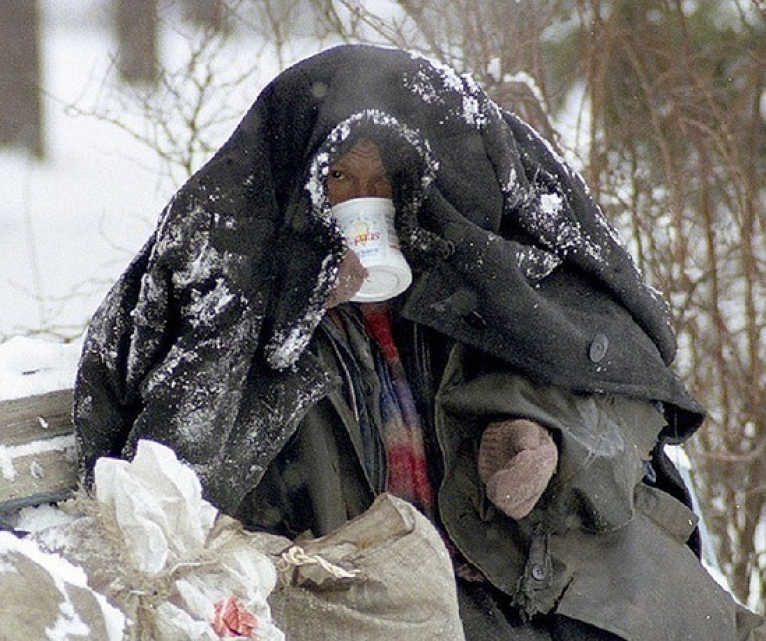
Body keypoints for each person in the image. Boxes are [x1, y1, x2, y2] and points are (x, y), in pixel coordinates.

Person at [73, 45, 763, 639]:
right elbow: (182, 481)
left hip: (510, 583)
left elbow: (616, 378)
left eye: (381, 181)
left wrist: (543, 433)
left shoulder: (465, 282)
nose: (361, 200)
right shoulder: (239, 308)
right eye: (341, 178)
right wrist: (301, 313)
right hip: (376, 605)